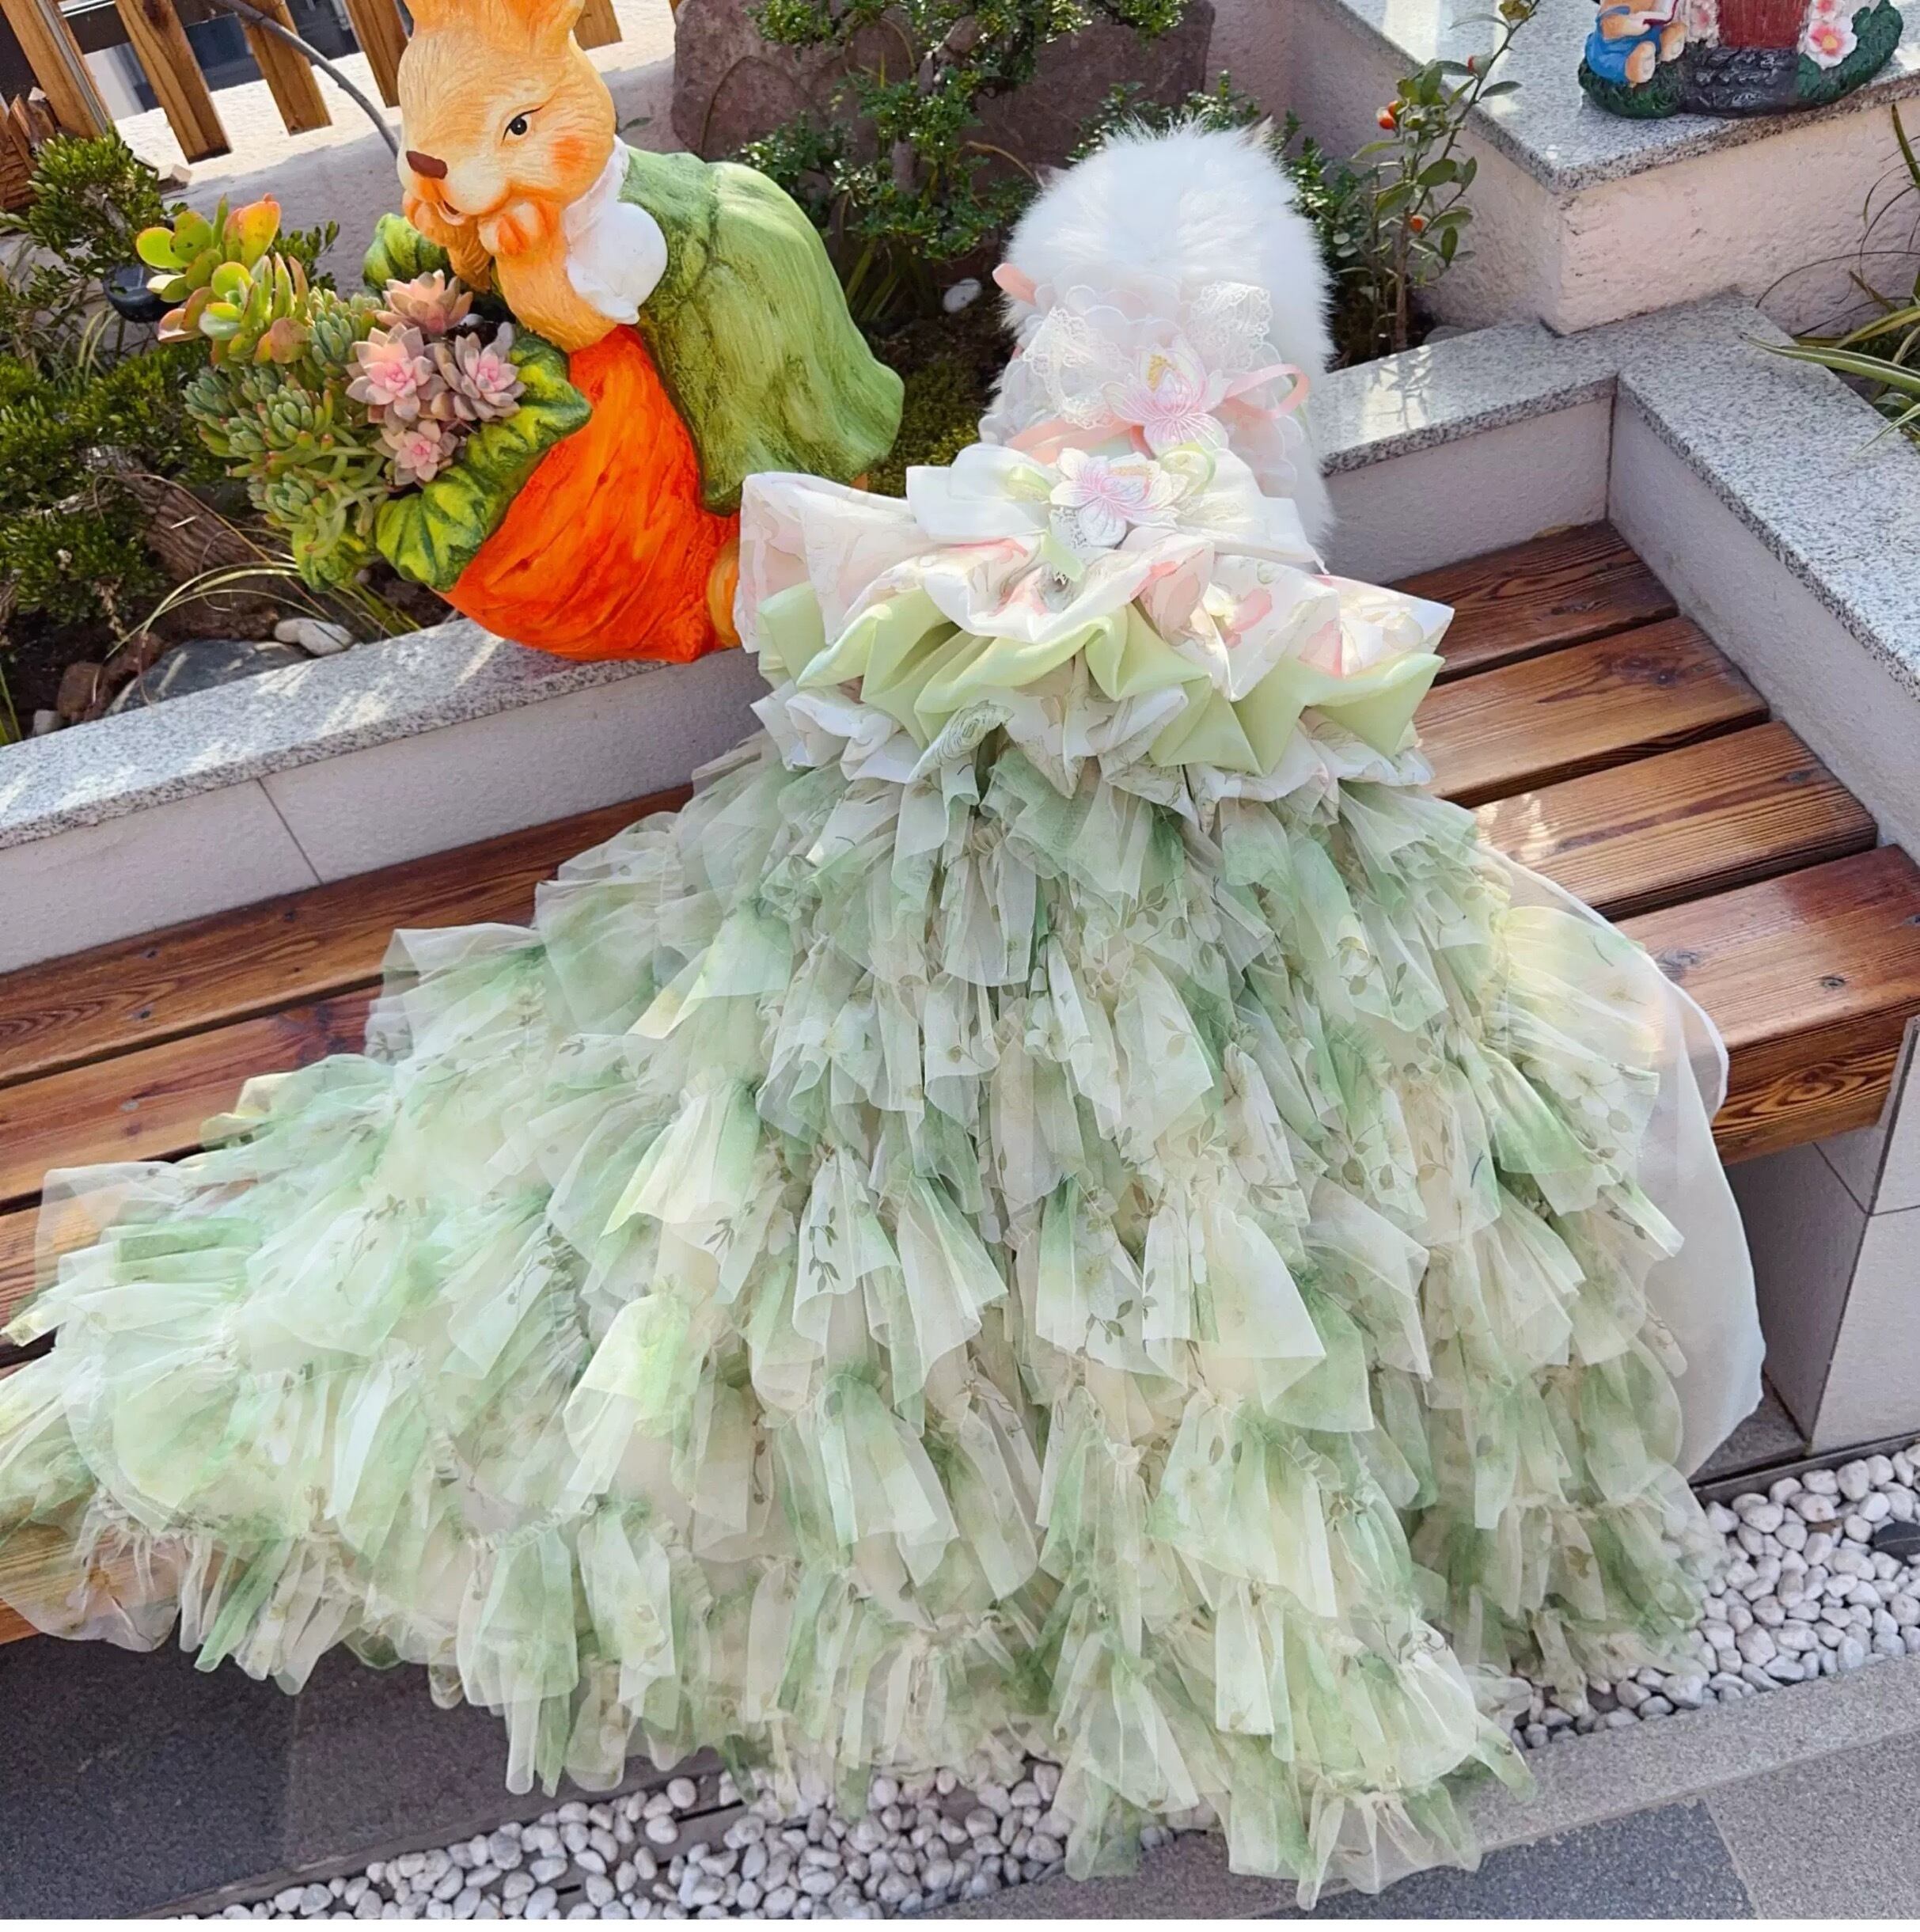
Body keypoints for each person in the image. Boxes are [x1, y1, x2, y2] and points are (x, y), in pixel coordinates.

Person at [0, 124, 1761, 1906]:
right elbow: (1309, 660)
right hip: (1135, 759)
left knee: (796, 1099)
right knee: (1244, 1124)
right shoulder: (1228, 514)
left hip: (965, 769)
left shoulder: (992, 510)